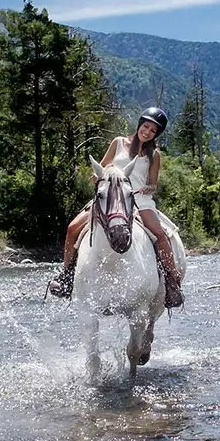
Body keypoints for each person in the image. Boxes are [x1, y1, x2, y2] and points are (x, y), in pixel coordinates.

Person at [46, 108, 185, 307]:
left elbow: (154, 184)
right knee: (72, 228)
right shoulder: (118, 143)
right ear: (140, 124)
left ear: (156, 134)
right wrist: (99, 177)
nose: (147, 132)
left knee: (161, 235)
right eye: (146, 126)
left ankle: (172, 282)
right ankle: (67, 276)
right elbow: (102, 167)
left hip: (138, 200)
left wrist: (148, 187)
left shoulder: (154, 154)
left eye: (153, 131)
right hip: (110, 196)